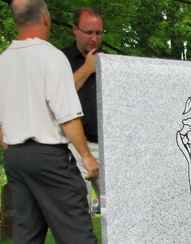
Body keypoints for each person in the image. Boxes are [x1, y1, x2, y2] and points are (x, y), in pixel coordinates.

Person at [0, 0, 123, 244]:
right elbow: (67, 115)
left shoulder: (1, 61)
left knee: (27, 229)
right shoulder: (51, 57)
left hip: (16, 154)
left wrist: (11, 150)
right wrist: (86, 156)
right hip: (48, 154)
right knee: (76, 224)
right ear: (47, 19)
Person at [61, 7, 104, 204]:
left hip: (108, 146)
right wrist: (87, 69)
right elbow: (58, 95)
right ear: (75, 30)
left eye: (98, 33)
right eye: (88, 32)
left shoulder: (109, 60)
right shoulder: (61, 60)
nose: (94, 38)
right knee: (78, 210)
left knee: (120, 211)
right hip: (75, 147)